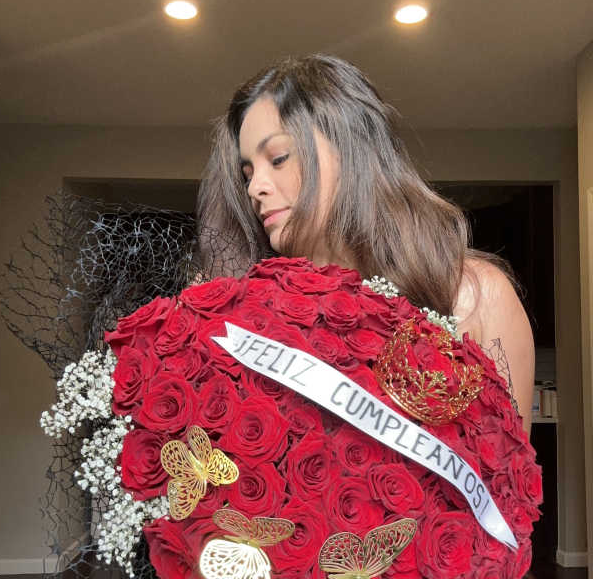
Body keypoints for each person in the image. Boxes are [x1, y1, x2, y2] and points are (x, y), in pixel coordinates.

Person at [197, 53, 535, 434]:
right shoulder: (249, 318)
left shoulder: (476, 297)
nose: (255, 188)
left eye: (278, 158)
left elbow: (507, 469)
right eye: (247, 174)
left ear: (348, 149)